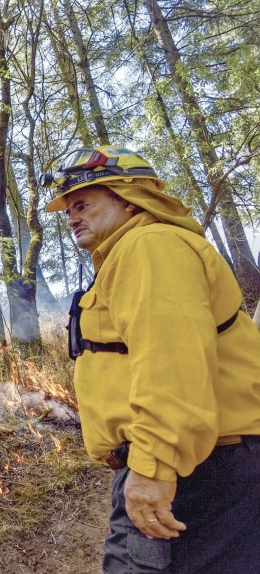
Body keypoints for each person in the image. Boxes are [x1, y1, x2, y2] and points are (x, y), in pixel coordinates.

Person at [42, 145, 260, 574]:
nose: (71, 218)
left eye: (83, 204)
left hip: (196, 471)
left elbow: (172, 362)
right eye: (68, 210)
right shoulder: (131, 254)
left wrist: (155, 468)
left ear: (128, 198)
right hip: (187, 465)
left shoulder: (151, 247)